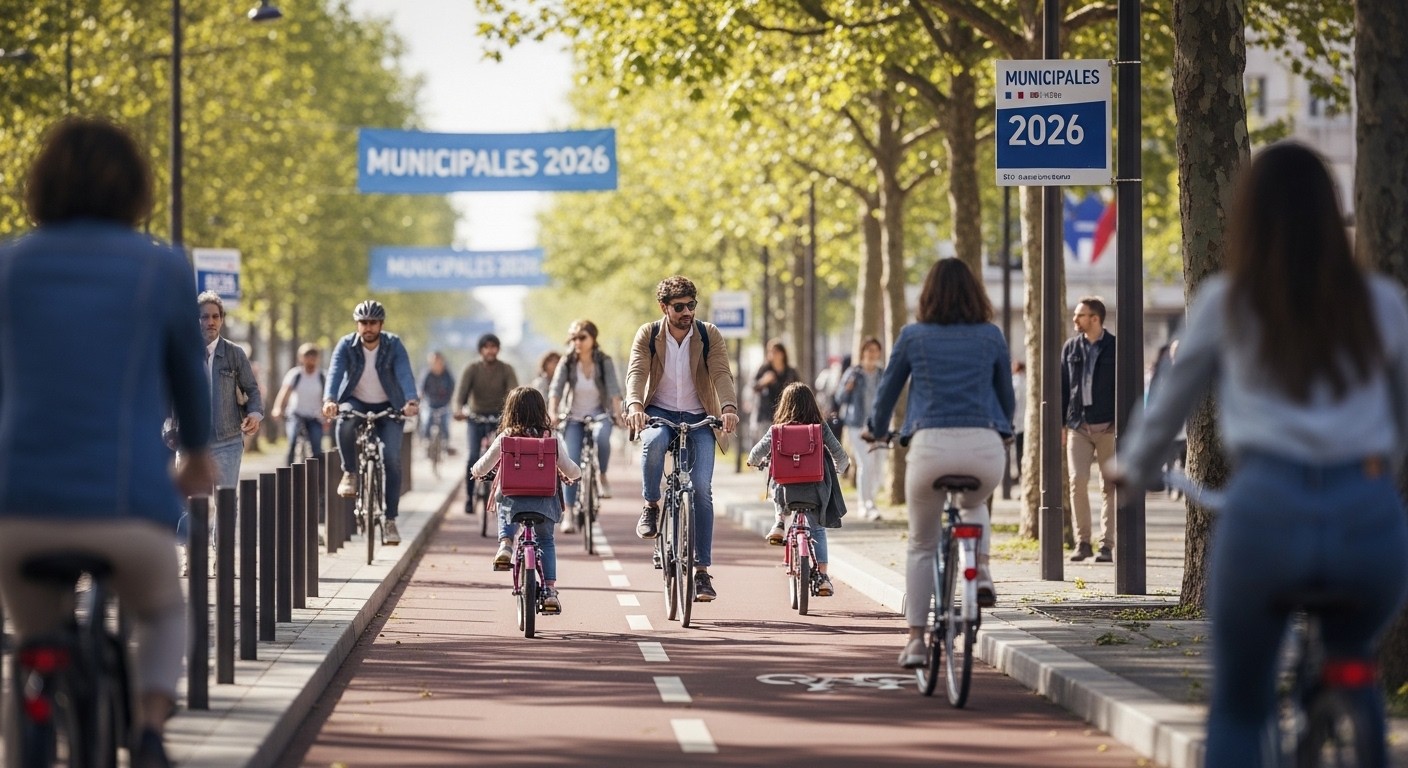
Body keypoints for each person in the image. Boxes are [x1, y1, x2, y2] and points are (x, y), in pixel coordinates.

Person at [1109, 142, 1408, 768]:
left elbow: (1169, 399)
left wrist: (1132, 466)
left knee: (1242, 704)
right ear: (1333, 214)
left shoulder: (1229, 301)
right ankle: (1360, 712)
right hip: (1368, 520)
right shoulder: (1381, 304)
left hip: (1266, 516)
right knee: (1356, 655)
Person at [0, 116, 216, 768]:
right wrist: (196, 456)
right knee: (161, 610)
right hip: (127, 504)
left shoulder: (7, 265)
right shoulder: (161, 268)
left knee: (30, 640)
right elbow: (189, 384)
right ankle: (149, 729)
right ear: (136, 190)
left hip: (18, 510)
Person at [863, 258, 1014, 669]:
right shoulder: (991, 335)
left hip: (929, 448)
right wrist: (1005, 430)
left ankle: (915, 641)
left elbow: (887, 394)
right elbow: (1006, 397)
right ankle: (980, 572)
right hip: (985, 446)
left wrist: (875, 429)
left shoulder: (913, 337)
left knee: (922, 543)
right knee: (974, 504)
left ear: (927, 295)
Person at [624, 275, 739, 602]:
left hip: (700, 416)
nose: (687, 311)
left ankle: (702, 573)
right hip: (659, 412)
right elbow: (636, 373)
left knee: (701, 489)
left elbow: (721, 372)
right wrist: (634, 405)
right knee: (654, 442)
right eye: (679, 307)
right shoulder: (648, 335)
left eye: (692, 305)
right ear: (664, 307)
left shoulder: (708, 334)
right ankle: (650, 505)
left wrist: (728, 407)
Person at [472, 386, 580, 611]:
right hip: (544, 504)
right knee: (547, 541)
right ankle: (549, 591)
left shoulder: (506, 437)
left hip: (515, 503)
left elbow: (483, 466)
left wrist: (476, 472)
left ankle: (505, 544)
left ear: (510, 411)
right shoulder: (551, 438)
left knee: (503, 499)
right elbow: (571, 470)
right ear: (541, 410)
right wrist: (575, 474)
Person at [322, 300, 419, 547]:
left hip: (390, 405)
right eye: (363, 323)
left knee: (392, 460)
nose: (368, 327)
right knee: (343, 424)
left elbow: (404, 372)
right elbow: (335, 372)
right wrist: (330, 400)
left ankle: (390, 521)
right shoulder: (346, 345)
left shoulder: (393, 344)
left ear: (381, 324)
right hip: (356, 401)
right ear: (357, 324)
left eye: (372, 323)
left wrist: (411, 400)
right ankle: (350, 473)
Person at [749, 383, 849, 597]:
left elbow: (756, 454)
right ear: (812, 404)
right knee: (819, 530)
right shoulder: (819, 427)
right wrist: (840, 469)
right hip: (815, 491)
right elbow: (841, 456)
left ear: (784, 406)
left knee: (777, 477)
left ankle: (779, 521)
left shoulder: (777, 430)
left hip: (787, 492)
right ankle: (822, 577)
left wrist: (753, 463)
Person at [548, 319, 624, 532]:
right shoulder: (567, 362)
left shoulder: (603, 361)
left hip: (600, 414)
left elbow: (613, 390)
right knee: (571, 462)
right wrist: (553, 412)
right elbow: (556, 389)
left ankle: (602, 476)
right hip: (574, 417)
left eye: (582, 337)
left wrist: (617, 415)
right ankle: (569, 514)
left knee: (602, 438)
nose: (577, 342)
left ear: (593, 339)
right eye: (573, 338)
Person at [1061, 296, 1117, 563]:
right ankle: (1083, 542)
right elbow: (1062, 387)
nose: (1075, 319)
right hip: (1078, 426)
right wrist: (1062, 423)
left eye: (1080, 315)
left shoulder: (1115, 347)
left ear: (1095, 318)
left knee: (1110, 486)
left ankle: (1107, 545)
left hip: (1108, 426)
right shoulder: (1071, 348)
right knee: (1077, 481)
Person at [196, 291, 263, 488]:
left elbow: (252, 389)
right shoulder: (184, 353)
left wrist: (254, 414)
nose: (211, 321)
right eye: (204, 316)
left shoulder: (235, 354)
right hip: (190, 442)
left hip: (227, 442)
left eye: (215, 316)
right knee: (186, 506)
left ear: (222, 319)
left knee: (225, 503)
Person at [454, 333, 519, 514]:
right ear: (481, 349)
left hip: (500, 418)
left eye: (493, 347)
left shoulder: (506, 369)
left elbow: (513, 392)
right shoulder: (472, 369)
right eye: (486, 347)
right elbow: (460, 395)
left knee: (505, 456)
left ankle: (506, 496)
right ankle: (469, 497)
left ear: (498, 349)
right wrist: (459, 410)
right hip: (476, 417)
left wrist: (512, 412)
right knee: (473, 455)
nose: (490, 350)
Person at [835, 337, 886, 520]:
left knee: (879, 466)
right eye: (869, 350)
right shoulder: (853, 373)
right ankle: (867, 504)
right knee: (866, 463)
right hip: (857, 425)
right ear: (863, 352)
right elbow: (840, 398)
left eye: (875, 350)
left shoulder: (882, 374)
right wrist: (848, 388)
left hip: (878, 426)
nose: (872, 354)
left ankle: (868, 501)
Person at [271, 343, 326, 465]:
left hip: (315, 416)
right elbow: (284, 393)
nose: (310, 358)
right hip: (296, 414)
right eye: (307, 355)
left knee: (317, 446)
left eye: (314, 355)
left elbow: (326, 398)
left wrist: (327, 415)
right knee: (292, 441)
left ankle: (319, 476)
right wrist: (277, 409)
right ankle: (287, 474)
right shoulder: (295, 375)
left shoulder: (322, 376)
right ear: (301, 357)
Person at [751, 339, 801, 438]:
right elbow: (754, 387)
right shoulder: (764, 369)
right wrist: (764, 381)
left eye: (775, 352)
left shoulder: (790, 372)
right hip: (766, 415)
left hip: (786, 415)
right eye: (770, 352)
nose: (772, 355)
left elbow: (798, 390)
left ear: (782, 354)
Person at [419, 350, 456, 455]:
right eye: (433, 362)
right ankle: (426, 443)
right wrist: (419, 400)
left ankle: (445, 445)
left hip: (444, 405)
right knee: (426, 422)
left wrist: (451, 401)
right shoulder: (427, 374)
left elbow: (452, 388)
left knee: (445, 424)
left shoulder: (447, 374)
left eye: (438, 361)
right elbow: (421, 389)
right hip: (430, 404)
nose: (436, 364)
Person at [1010, 360, 1027, 483]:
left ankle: (1021, 476)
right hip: (1027, 425)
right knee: (1024, 454)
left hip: (1016, 425)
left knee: (1018, 453)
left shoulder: (1013, 382)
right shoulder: (1027, 382)